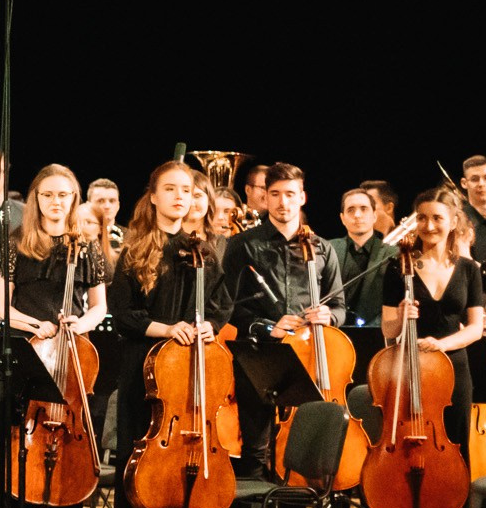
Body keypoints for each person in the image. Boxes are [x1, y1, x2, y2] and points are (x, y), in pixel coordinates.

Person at [0, 165, 110, 508]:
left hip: (71, 355)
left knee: (71, 452)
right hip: (27, 353)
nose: (55, 202)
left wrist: (82, 324)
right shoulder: (14, 242)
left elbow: (99, 307)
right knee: (21, 453)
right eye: (47, 195)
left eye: (64, 195)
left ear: (74, 199)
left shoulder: (86, 247)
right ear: (35, 199)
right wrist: (34, 326)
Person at [216, 163, 344, 476]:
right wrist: (267, 327)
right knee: (255, 451)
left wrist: (329, 315)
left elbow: (340, 306)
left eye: (289, 194)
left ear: (302, 197)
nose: (282, 202)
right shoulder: (242, 245)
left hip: (307, 358)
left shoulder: (322, 249)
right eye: (274, 194)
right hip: (259, 356)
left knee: (298, 453)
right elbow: (227, 306)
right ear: (265, 197)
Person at [109, 160, 229, 473]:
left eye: (186, 190)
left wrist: (209, 326)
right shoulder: (134, 250)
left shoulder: (202, 252)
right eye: (170, 189)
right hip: (143, 365)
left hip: (188, 364)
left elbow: (221, 302)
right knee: (139, 443)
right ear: (153, 197)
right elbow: (122, 314)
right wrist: (167, 329)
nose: (179, 196)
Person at [381, 189, 486, 446]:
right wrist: (401, 318)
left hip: (454, 367)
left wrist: (442, 345)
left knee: (454, 441)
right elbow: (388, 329)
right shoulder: (397, 268)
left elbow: (475, 328)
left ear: (453, 222)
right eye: (422, 218)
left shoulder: (469, 269)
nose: (429, 226)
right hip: (411, 366)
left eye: (438, 218)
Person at [331, 187, 396, 362]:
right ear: (342, 218)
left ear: (374, 216)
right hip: (335, 338)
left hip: (378, 339)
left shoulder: (393, 254)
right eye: (350, 210)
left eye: (364, 209)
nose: (357, 215)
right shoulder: (328, 249)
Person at [86, 177, 124, 258]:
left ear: (118, 205)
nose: (107, 206)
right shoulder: (78, 238)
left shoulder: (132, 238)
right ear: (88, 205)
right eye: (101, 201)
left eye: (112, 201)